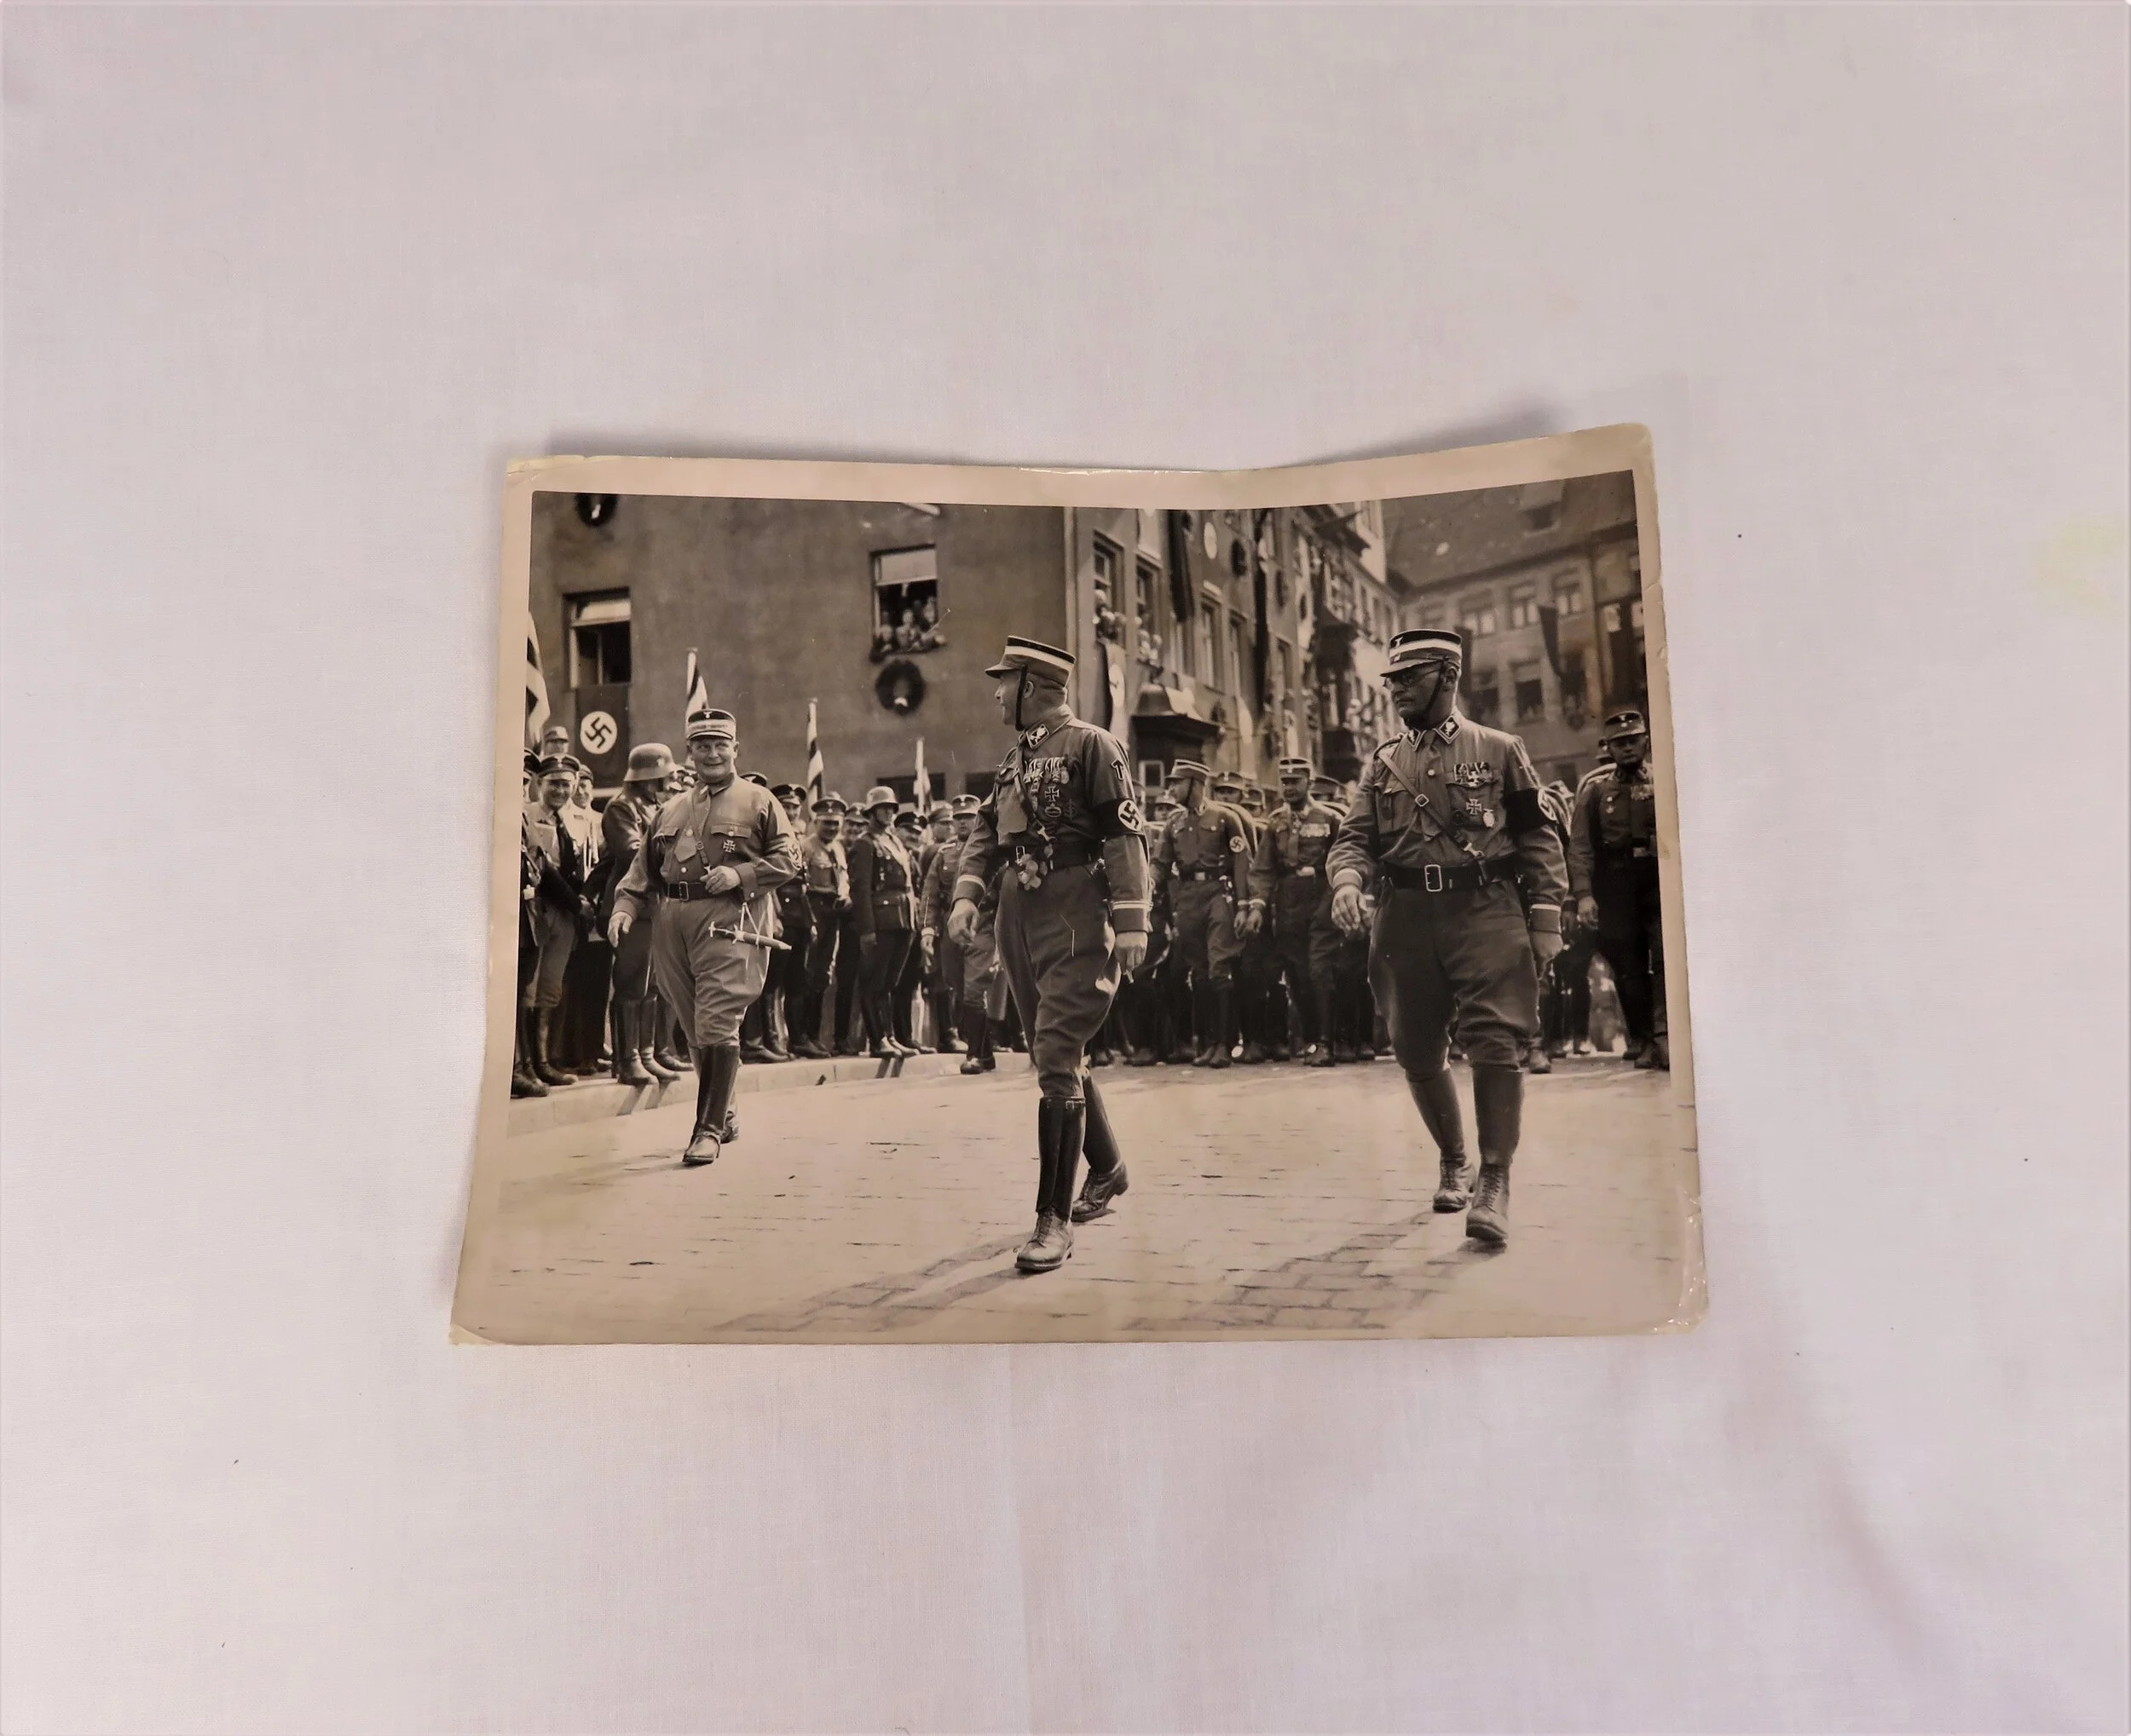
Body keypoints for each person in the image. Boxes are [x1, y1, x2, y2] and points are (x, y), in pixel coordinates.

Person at [1327, 627, 1568, 1248]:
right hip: (1405, 917)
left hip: (1485, 908)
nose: (1397, 690)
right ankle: (1453, 1156)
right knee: (1414, 1047)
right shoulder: (1382, 763)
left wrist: (1545, 917)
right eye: (1393, 680)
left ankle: (1494, 1178)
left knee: (1496, 1039)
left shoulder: (1501, 748)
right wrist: (1347, 883)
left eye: (1410, 677)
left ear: (1448, 676)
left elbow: (1538, 837)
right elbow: (1354, 836)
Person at [948, 636, 1149, 1272]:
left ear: (1034, 686)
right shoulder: (1013, 758)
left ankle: (1052, 1220)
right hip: (1019, 916)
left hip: (1073, 914)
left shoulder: (1093, 745)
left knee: (1057, 1057)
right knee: (1053, 1051)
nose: (997, 692)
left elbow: (1123, 832)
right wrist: (966, 897)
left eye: (1004, 682)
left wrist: (1133, 919)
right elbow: (985, 831)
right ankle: (1110, 1168)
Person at [608, 708, 800, 1167]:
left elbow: (789, 857)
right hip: (672, 921)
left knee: (716, 1021)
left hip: (730, 919)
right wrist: (624, 906)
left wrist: (741, 874)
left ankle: (707, 1129)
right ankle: (725, 1111)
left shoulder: (759, 801)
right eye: (701, 746)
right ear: (688, 753)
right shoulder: (669, 809)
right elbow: (643, 870)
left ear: (735, 750)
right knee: (695, 1026)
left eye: (720, 745)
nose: (711, 754)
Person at [1568, 707, 1668, 1070]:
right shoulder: (1595, 793)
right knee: (1630, 967)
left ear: (1645, 741)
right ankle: (1642, 1038)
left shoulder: (1665, 782)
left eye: (1632, 740)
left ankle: (1664, 1036)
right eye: (1618, 743)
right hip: (1617, 885)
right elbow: (1580, 847)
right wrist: (1584, 895)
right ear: (1609, 749)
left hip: (1658, 882)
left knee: (1665, 958)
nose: (1627, 748)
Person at [1151, 760, 1252, 1068]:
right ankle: (1208, 1043)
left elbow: (1241, 861)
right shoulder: (1173, 823)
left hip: (1218, 895)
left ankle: (1224, 1043)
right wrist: (1148, 881)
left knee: (1220, 966)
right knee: (1200, 972)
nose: (1172, 789)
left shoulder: (1225, 818)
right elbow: (1161, 863)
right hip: (1188, 899)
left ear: (1196, 784)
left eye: (1177, 783)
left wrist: (1244, 905)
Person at [1250, 757, 1344, 1067]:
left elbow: (1341, 861)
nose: (1289, 788)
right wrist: (1259, 905)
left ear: (1310, 783)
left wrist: (1333, 901)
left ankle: (1327, 1043)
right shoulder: (1275, 822)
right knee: (1297, 974)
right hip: (1288, 902)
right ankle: (1310, 1039)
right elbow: (1264, 869)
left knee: (1319, 971)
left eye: (1296, 782)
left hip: (1321, 896)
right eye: (1285, 782)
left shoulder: (1329, 818)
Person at [597, 742, 680, 1087]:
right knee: (631, 983)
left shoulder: (653, 807)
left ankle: (645, 1054)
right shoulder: (621, 808)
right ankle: (626, 1058)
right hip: (631, 905)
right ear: (650, 776)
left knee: (652, 985)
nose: (668, 781)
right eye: (663, 775)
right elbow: (633, 851)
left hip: (654, 906)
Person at [522, 754, 592, 1087]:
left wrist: (583, 900)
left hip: (565, 916)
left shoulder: (576, 820)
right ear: (539, 784)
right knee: (530, 989)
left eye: (567, 784)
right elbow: (543, 868)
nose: (561, 791)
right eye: (554, 783)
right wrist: (574, 902)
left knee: (551, 988)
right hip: (539, 911)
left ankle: (544, 1061)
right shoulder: (528, 815)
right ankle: (528, 1065)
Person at [845, 787, 918, 1058]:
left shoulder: (894, 841)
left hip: (901, 918)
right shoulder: (865, 843)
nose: (888, 812)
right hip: (881, 920)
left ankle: (889, 1036)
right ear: (872, 811)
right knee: (874, 982)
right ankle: (877, 1040)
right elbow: (860, 889)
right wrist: (866, 929)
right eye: (883, 808)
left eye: (891, 808)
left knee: (890, 983)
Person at [790, 794, 848, 1058]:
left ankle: (814, 1036)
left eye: (836, 824)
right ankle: (800, 1037)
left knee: (823, 975)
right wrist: (810, 921)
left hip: (834, 913)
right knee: (806, 974)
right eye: (827, 823)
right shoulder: (805, 846)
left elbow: (843, 878)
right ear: (816, 822)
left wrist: (845, 895)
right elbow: (801, 886)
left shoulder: (838, 847)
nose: (832, 829)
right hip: (813, 912)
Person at [921, 797, 979, 1057]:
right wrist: (928, 929)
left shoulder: (986, 849)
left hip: (980, 925)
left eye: (968, 817)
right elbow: (930, 893)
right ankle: (950, 1034)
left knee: (976, 981)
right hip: (948, 925)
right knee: (948, 980)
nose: (963, 822)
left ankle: (974, 1036)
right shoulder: (944, 852)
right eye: (958, 818)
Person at [892, 806, 933, 1049]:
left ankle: (907, 1036)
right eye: (908, 831)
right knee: (895, 984)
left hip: (912, 926)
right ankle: (897, 1035)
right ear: (896, 830)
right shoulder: (893, 855)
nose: (913, 837)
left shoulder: (913, 860)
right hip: (896, 924)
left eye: (917, 833)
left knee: (909, 983)